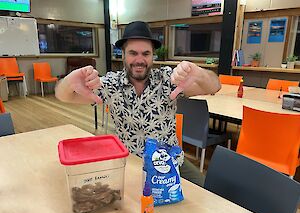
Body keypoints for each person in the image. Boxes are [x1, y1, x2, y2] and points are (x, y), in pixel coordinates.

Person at [55, 21, 221, 186]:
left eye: (146, 53)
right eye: (133, 53)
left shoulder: (168, 80)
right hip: (131, 165)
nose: (140, 60)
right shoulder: (112, 85)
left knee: (208, 193)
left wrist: (199, 73)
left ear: (152, 56)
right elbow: (65, 96)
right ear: (123, 55)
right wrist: (68, 81)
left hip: (171, 163)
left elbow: (215, 85)